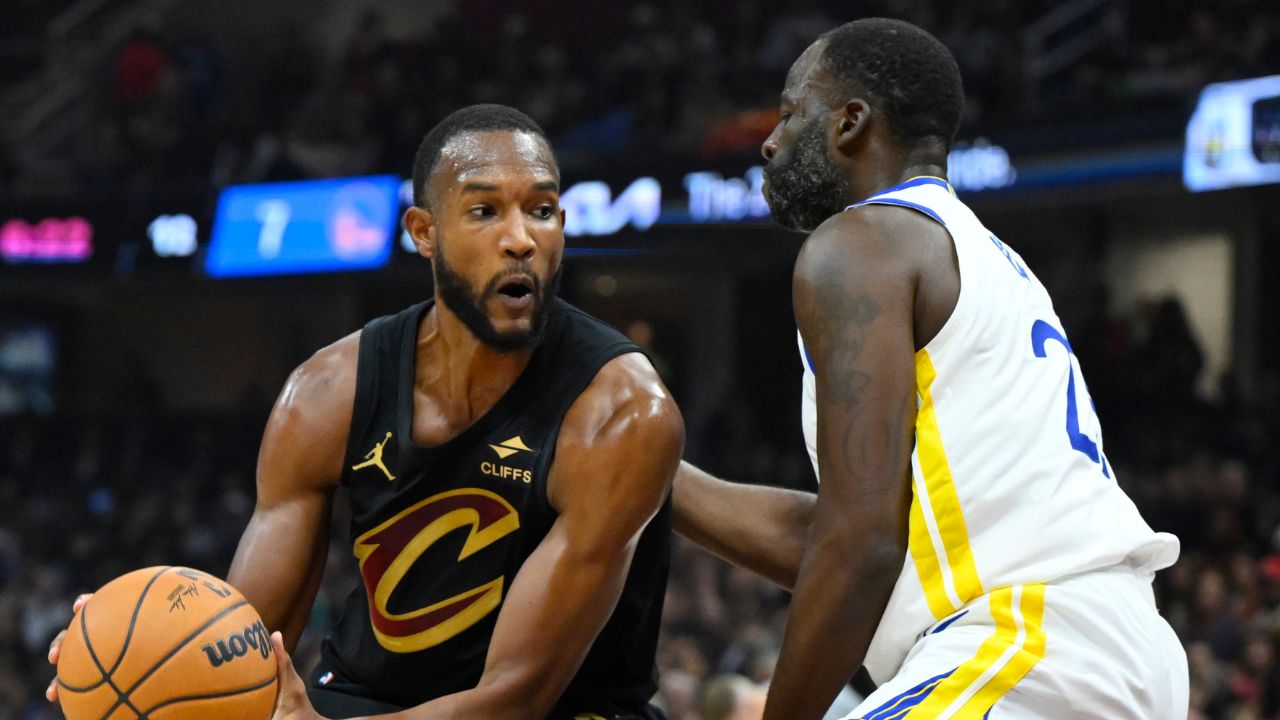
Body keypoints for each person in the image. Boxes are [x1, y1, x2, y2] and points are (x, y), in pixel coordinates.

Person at [47, 104, 683, 720]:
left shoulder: (621, 412)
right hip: (361, 697)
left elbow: (515, 700)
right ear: (423, 233)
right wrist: (132, 653)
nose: (520, 239)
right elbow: (245, 642)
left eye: (541, 212)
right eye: (485, 211)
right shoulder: (328, 392)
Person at [671, 18, 1188, 720]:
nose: (769, 139)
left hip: (1026, 642)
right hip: (1102, 645)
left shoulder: (860, 245)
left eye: (790, 113)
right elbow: (851, 535)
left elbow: (860, 548)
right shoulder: (980, 254)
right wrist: (656, 476)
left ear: (850, 123)